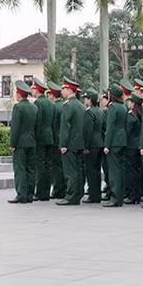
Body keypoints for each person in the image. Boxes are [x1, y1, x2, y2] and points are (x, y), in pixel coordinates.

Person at [8, 80, 38, 204]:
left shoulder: (18, 107)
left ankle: (21, 194)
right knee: (31, 169)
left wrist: (12, 144)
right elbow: (36, 126)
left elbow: (15, 128)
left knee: (20, 169)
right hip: (32, 142)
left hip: (20, 143)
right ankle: (30, 194)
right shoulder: (34, 107)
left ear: (19, 94)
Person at [57, 77, 85, 206]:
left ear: (69, 90)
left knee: (70, 171)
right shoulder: (81, 106)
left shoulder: (68, 105)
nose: (62, 91)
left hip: (69, 144)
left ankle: (71, 196)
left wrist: (63, 144)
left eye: (63, 89)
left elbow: (65, 127)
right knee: (78, 170)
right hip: (79, 143)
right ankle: (78, 194)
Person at [103, 84, 127, 207]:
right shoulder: (123, 107)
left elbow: (110, 127)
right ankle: (119, 197)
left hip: (114, 142)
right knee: (120, 170)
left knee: (114, 171)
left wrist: (107, 145)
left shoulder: (112, 107)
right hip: (122, 140)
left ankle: (115, 198)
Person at [31, 78, 55, 201]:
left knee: (40, 165)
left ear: (37, 90)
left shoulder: (38, 104)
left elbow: (37, 123)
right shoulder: (51, 103)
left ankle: (40, 192)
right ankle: (46, 192)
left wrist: (34, 138)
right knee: (48, 165)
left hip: (40, 138)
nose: (32, 91)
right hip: (50, 137)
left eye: (33, 89)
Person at [82, 88, 104, 203]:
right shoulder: (100, 111)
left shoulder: (89, 112)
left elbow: (87, 131)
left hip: (92, 145)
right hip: (100, 143)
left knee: (90, 171)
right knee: (97, 170)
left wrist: (86, 146)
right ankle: (97, 194)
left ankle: (93, 195)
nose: (85, 101)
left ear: (90, 100)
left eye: (86, 98)